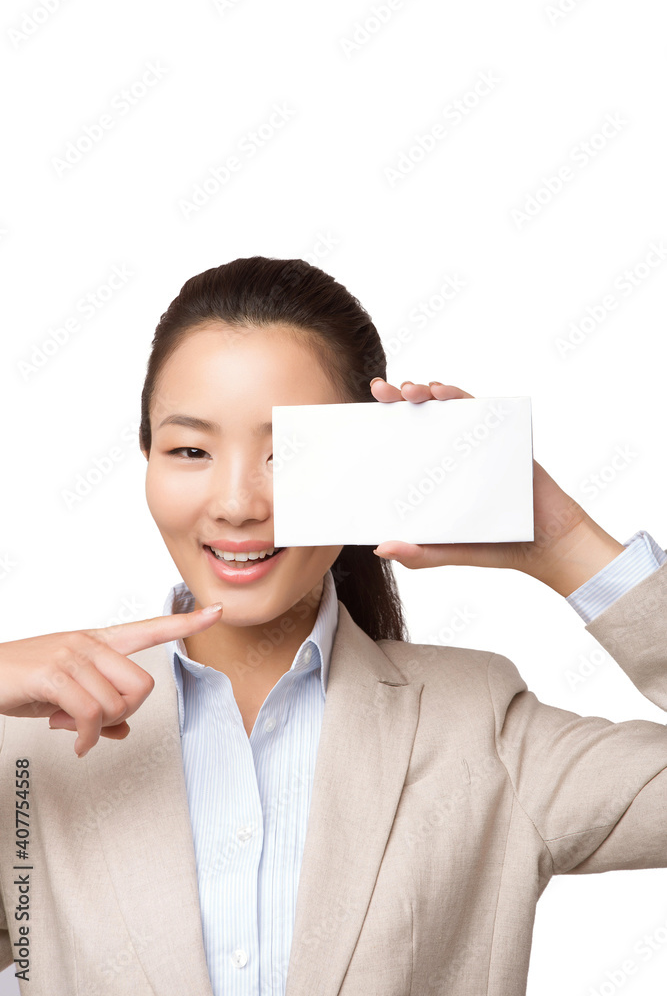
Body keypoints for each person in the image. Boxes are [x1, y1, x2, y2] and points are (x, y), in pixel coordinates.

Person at [0, 255, 665, 996]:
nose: (236, 502)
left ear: (369, 462)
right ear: (147, 457)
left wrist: (563, 544)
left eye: (290, 455)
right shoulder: (28, 745)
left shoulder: (478, 728)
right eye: (190, 450)